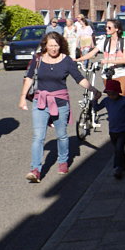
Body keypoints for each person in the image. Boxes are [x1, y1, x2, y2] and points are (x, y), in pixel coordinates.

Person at [19, 32, 100, 183]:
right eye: (51, 45)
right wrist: (23, 97)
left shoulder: (67, 60)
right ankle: (35, 170)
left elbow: (79, 78)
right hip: (41, 101)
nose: (54, 49)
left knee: (62, 135)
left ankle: (63, 161)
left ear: (61, 45)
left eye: (56, 45)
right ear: (45, 45)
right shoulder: (38, 59)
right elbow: (29, 78)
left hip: (60, 102)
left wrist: (93, 89)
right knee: (38, 137)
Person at [96, 79, 125, 179]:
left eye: (112, 94)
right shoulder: (106, 101)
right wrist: (95, 100)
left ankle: (117, 168)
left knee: (118, 149)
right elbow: (96, 108)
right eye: (108, 94)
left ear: (117, 92)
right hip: (112, 131)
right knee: (118, 149)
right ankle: (124, 163)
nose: (110, 96)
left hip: (123, 130)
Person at [77, 19, 125, 95]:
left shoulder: (124, 41)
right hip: (107, 74)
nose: (106, 29)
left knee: (121, 98)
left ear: (117, 29)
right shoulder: (105, 41)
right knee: (111, 98)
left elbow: (124, 60)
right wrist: (78, 59)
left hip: (121, 73)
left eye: (109, 27)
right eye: (106, 27)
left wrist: (108, 61)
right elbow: (92, 53)